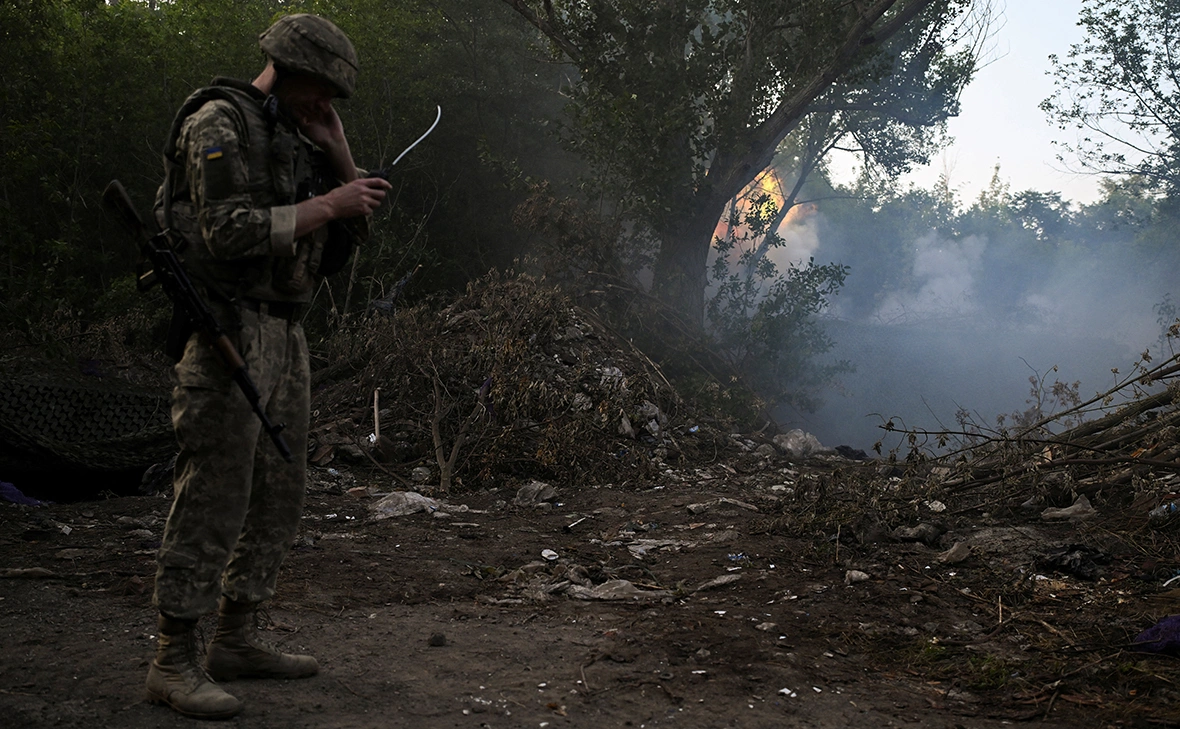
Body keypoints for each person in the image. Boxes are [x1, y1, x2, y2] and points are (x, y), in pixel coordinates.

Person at [144, 14, 391, 719]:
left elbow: (350, 230)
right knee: (215, 493)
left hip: (285, 333)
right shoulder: (219, 123)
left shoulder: (298, 135)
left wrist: (342, 160)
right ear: (287, 71)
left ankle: (237, 635)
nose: (328, 106)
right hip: (228, 329)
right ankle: (172, 657)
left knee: (281, 492)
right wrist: (328, 201)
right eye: (322, 92)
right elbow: (225, 232)